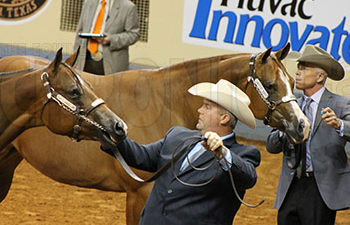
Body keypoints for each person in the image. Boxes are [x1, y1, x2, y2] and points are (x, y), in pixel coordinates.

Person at [102, 79, 260, 225]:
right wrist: (111, 133)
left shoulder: (241, 154)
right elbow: (142, 156)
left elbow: (248, 177)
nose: (200, 110)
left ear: (224, 118)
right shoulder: (177, 135)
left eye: (207, 106)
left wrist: (222, 153)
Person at [266, 45, 350, 225]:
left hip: (320, 188)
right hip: (291, 185)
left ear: (320, 76)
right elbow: (271, 146)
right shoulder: (292, 106)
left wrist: (339, 124)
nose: (298, 73)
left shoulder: (340, 104)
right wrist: (283, 131)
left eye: (304, 68)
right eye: (298, 68)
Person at [74, 0, 140, 75]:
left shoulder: (127, 7)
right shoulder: (89, 2)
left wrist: (112, 39)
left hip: (111, 63)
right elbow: (79, 32)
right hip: (86, 60)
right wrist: (74, 59)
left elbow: (134, 34)